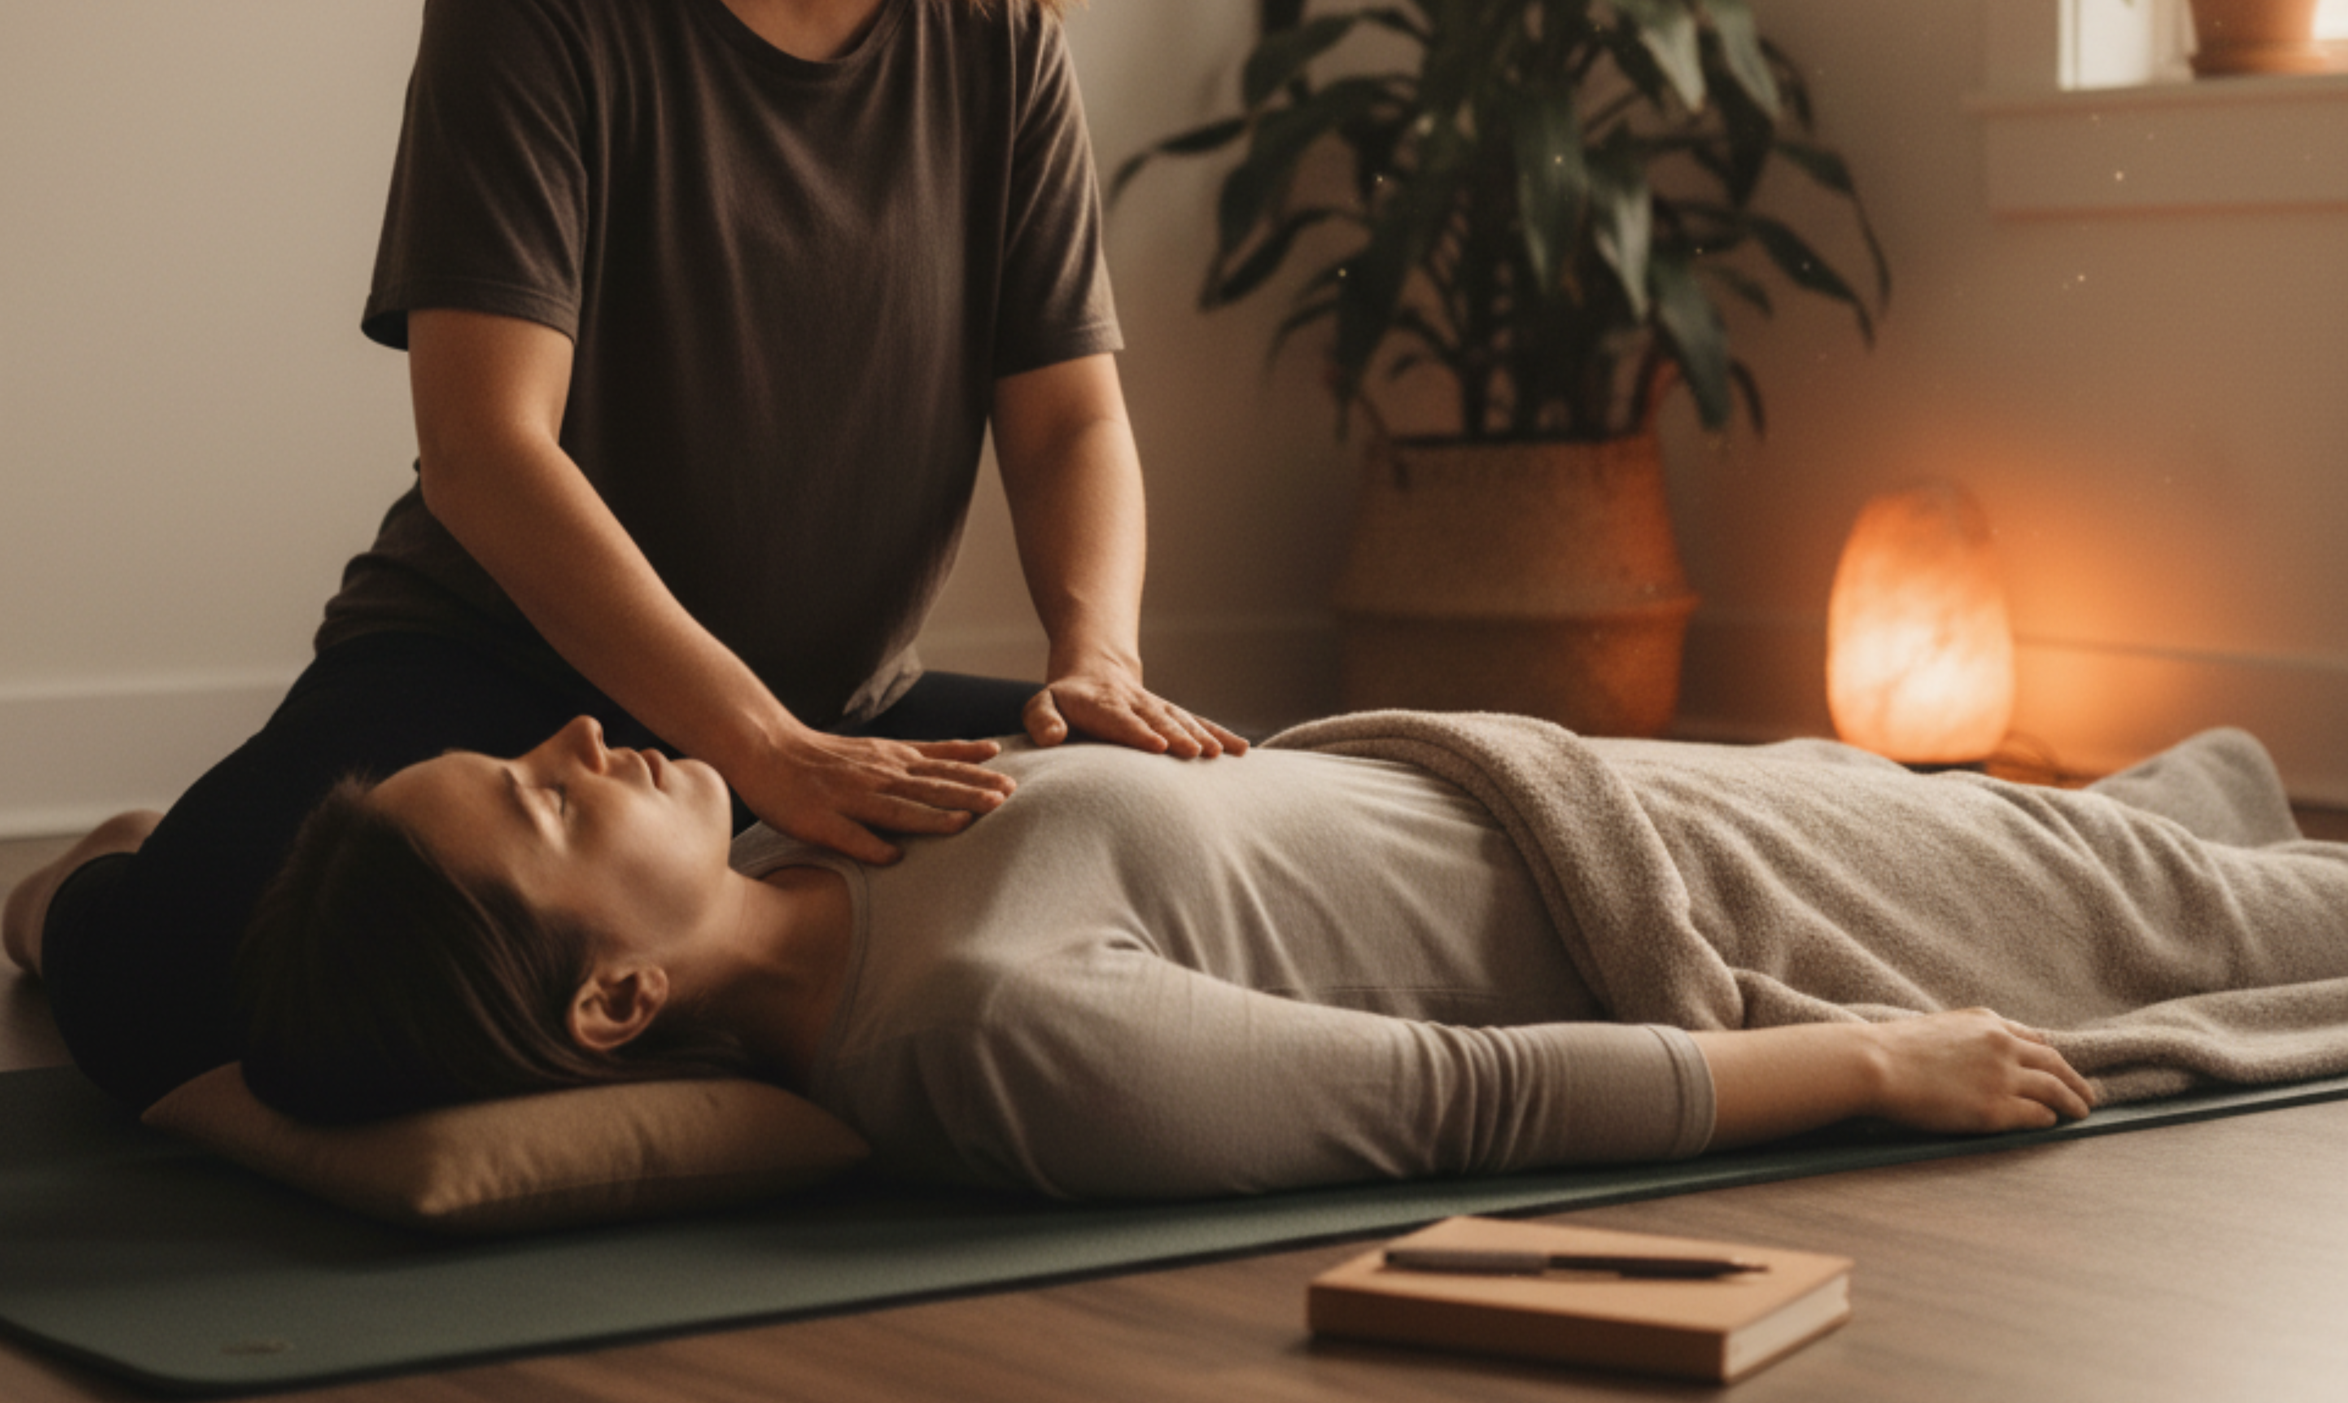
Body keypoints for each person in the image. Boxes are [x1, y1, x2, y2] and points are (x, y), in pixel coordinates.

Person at [15, 0, 1243, 1115]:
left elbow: (1068, 421)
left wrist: (1098, 662)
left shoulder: (999, 32)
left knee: (1214, 815)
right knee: (165, 1003)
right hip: (499, 687)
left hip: (839, 706)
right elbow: (484, 451)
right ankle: (96, 879)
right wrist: (756, 744)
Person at [195, 709, 2348, 1203]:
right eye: (551, 802)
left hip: (1602, 778)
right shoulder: (992, 1037)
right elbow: (1458, 1101)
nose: (580, 737)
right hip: (1719, 904)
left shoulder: (812, 817)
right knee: (2241, 917)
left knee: (2130, 828)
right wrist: (1880, 1062)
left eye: (524, 751)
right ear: (611, 1002)